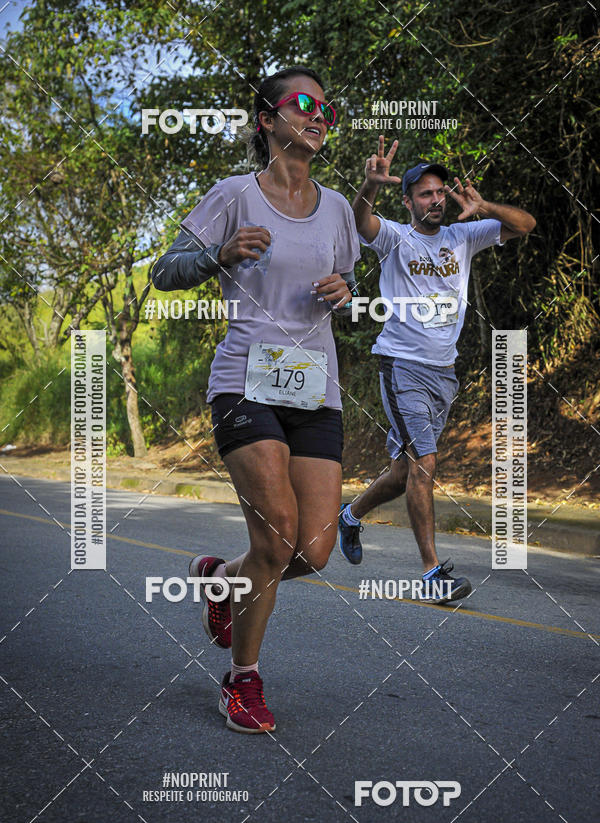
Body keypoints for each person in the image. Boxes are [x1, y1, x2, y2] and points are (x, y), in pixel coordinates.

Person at [152, 67, 360, 733]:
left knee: (314, 549)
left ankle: (220, 579)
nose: (318, 115)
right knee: (275, 535)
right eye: (304, 104)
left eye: (326, 107)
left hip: (315, 384)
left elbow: (347, 275)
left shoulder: (335, 208)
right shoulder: (234, 194)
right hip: (247, 378)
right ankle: (242, 679)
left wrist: (343, 292)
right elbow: (164, 271)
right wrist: (218, 254)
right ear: (267, 119)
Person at [338, 137, 535, 602]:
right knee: (424, 465)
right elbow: (357, 221)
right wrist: (369, 181)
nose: (436, 199)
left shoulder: (463, 236)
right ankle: (432, 575)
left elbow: (525, 225)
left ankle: (349, 516)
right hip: (401, 366)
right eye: (425, 193)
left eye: (440, 192)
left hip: (444, 373)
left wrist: (485, 205)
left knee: (403, 474)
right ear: (407, 201)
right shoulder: (394, 236)